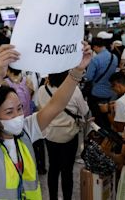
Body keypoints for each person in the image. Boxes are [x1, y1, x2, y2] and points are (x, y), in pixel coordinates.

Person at [0, 43, 91, 199]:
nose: (18, 116)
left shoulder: (25, 130)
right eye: (9, 112)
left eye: (19, 108)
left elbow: (56, 105)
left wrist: (77, 71)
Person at [38, 71, 89, 200]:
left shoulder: (42, 90)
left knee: (53, 169)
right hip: (69, 135)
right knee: (67, 171)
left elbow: (40, 110)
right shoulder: (74, 90)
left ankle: (53, 197)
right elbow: (85, 111)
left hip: (50, 135)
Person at [85, 36, 118, 129]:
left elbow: (89, 77)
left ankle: (100, 138)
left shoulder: (95, 59)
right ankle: (108, 136)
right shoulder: (114, 57)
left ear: (95, 46)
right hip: (110, 93)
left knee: (98, 118)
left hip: (96, 93)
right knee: (107, 117)